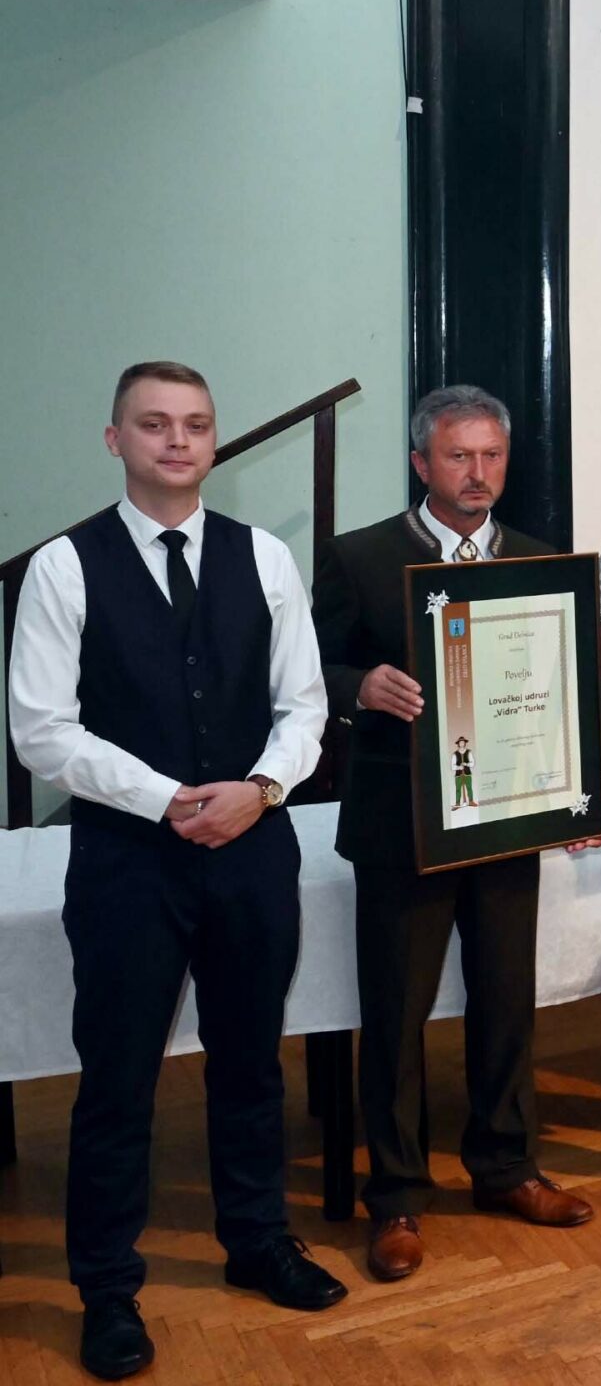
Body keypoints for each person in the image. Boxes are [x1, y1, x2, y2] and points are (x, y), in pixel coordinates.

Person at [8, 362, 344, 1380]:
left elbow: (305, 705)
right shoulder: (64, 566)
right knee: (118, 1078)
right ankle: (107, 1289)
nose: (177, 440)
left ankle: (257, 1240)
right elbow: (40, 729)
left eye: (194, 423)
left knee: (250, 1060)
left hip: (253, 844)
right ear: (116, 439)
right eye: (153, 424)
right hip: (128, 861)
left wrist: (260, 788)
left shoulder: (264, 557)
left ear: (213, 439)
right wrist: (166, 798)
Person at [311, 385, 601, 1284]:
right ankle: (397, 1197)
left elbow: (563, 689)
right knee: (395, 1015)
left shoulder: (541, 560)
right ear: (420, 463)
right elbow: (310, 670)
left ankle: (507, 1167)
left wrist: (577, 796)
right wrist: (360, 687)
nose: (478, 473)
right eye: (458, 456)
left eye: (492, 456)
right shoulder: (360, 557)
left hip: (508, 815)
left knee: (506, 999)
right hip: (399, 825)